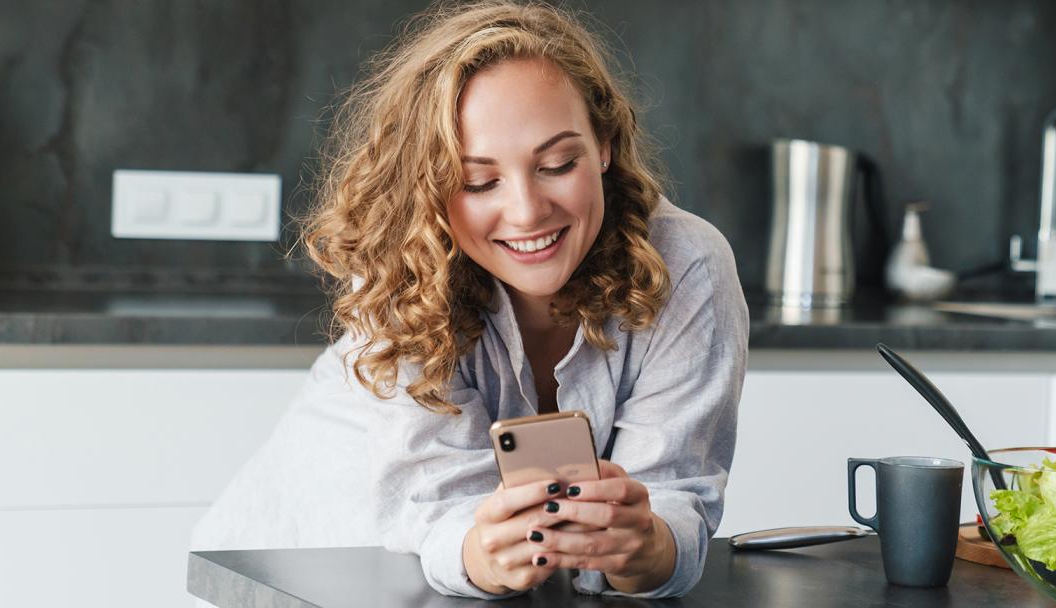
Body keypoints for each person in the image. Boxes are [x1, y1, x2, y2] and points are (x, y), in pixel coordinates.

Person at [190, 1, 748, 600]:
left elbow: (669, 498)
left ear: (604, 145)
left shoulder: (686, 265)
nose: (527, 212)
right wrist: (484, 552)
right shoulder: (399, 271)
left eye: (558, 164)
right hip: (314, 559)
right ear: (430, 186)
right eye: (478, 182)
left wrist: (644, 547)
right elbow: (441, 510)